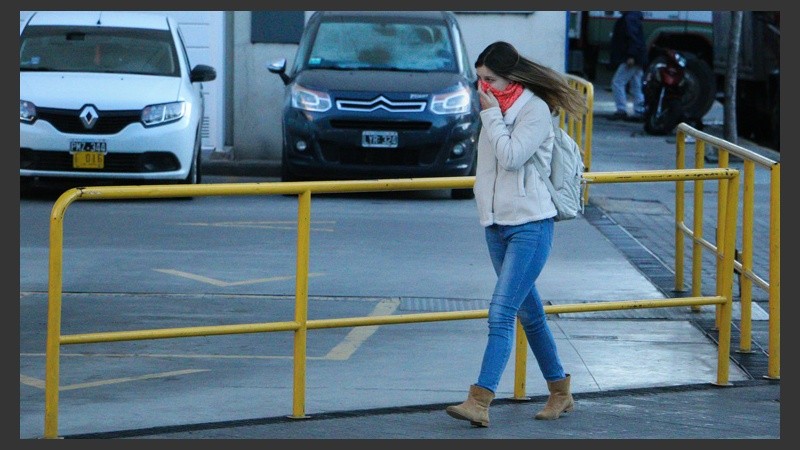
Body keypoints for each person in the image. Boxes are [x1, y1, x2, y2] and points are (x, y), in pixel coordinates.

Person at [445, 41, 586, 428]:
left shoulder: (533, 109)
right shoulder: (494, 107)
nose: (483, 87)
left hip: (531, 225)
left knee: (501, 312)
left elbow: (511, 157)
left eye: (490, 79)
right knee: (530, 314)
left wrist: (491, 115)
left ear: (511, 78)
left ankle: (480, 400)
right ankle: (561, 392)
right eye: (479, 79)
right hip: (495, 225)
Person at [609, 11, 647, 121]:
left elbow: (632, 38)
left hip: (631, 58)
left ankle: (621, 110)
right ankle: (639, 111)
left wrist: (631, 55)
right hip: (637, 57)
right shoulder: (633, 17)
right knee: (636, 84)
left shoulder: (629, 19)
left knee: (617, 82)